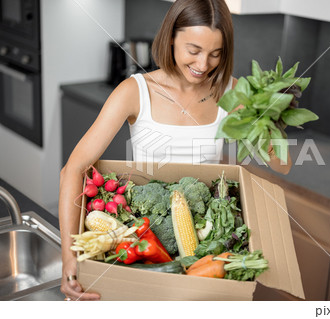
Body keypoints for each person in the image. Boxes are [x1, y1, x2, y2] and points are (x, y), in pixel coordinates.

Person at [59, 0, 292, 301]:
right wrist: (69, 258)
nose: (203, 65)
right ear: (171, 38)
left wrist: (268, 116)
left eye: (215, 54)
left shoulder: (230, 92)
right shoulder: (135, 91)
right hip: (143, 235)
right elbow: (73, 169)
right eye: (193, 50)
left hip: (203, 246)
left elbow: (282, 165)